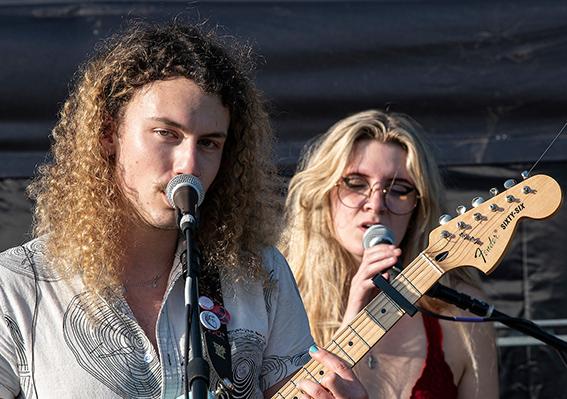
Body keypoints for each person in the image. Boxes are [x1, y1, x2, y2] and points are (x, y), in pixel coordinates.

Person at [0, 22, 367, 399]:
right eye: (167, 134)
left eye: (208, 143)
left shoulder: (262, 274)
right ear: (109, 134)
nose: (188, 164)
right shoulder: (15, 287)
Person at [280, 109, 499, 398]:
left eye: (399, 189)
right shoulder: (277, 299)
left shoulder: (458, 313)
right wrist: (352, 321)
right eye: (355, 183)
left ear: (420, 206)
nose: (376, 203)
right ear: (322, 192)